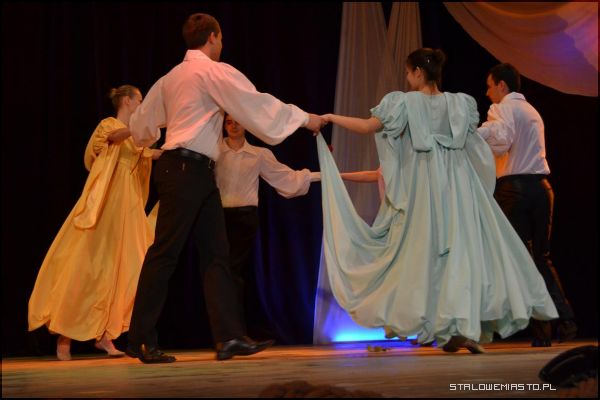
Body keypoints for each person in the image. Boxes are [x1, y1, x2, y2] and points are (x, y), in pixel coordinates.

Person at [317, 48, 558, 353]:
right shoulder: (459, 104)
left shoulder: (404, 102)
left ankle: (445, 325)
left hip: (425, 187)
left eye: (408, 73)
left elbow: (367, 127)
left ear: (418, 72)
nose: (407, 78)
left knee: (423, 253)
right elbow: (478, 147)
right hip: (457, 188)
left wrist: (329, 118)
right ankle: (454, 327)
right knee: (456, 255)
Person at [126, 13, 324, 363]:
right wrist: (305, 119)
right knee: (166, 253)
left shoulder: (171, 78)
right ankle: (140, 339)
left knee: (217, 255)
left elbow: (141, 125)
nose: (222, 43)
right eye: (220, 38)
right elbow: (256, 103)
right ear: (213, 37)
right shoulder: (212, 71)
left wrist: (160, 132)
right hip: (185, 169)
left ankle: (229, 337)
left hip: (195, 171)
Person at [28, 85, 161, 361]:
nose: (142, 103)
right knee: (88, 266)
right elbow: (112, 139)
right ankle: (65, 335)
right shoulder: (109, 124)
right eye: (139, 99)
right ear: (127, 101)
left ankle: (105, 335)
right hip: (107, 202)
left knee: (123, 268)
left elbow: (149, 154)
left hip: (129, 205)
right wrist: (138, 127)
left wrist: (176, 148)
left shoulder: (135, 137)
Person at [477, 63, 577, 347]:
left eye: (490, 86)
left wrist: (475, 135)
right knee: (540, 259)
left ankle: (542, 330)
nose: (487, 93)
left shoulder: (502, 108)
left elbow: (502, 141)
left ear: (502, 86)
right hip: (542, 189)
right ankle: (565, 319)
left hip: (515, 190)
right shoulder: (532, 111)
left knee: (520, 261)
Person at [216, 114, 320, 339]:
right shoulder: (214, 151)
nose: (233, 125)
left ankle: (233, 333)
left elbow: (287, 178)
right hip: (217, 218)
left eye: (237, 121)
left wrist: (322, 175)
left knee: (231, 273)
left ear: (246, 124)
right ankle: (229, 333)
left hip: (244, 219)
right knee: (222, 274)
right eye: (228, 122)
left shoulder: (259, 154)